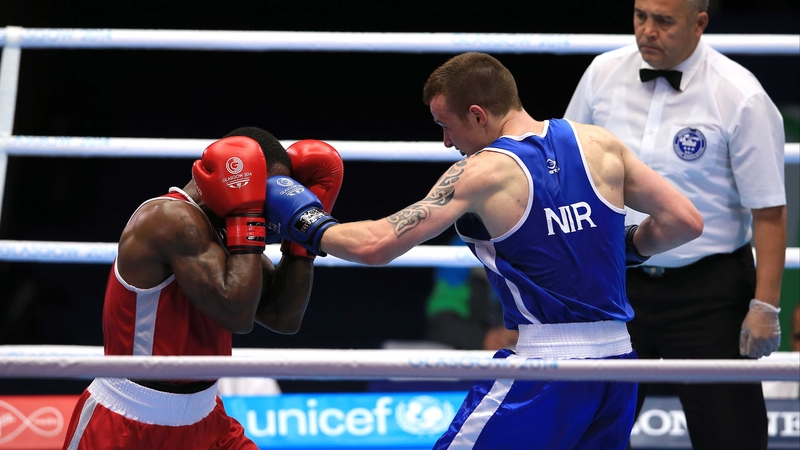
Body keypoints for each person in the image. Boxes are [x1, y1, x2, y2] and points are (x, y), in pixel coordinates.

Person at [265, 52, 703, 449]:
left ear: (477, 115)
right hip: (618, 365)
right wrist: (624, 245)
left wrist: (303, 217)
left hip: (546, 369)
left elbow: (377, 245)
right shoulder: (600, 144)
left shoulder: (480, 173)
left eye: (445, 125)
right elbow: (684, 222)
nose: (445, 142)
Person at [563, 0, 787, 448]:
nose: (647, 30)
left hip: (708, 292)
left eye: (664, 21)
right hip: (615, 284)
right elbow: (567, 173)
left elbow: (769, 210)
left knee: (731, 437)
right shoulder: (602, 74)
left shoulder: (739, 94)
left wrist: (765, 306)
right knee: (590, 431)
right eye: (640, 16)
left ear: (699, 23)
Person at [61, 128, 344, 450]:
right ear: (234, 177)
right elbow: (236, 315)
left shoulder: (222, 229)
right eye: (261, 190)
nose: (269, 205)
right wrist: (247, 215)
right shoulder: (168, 218)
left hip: (206, 418)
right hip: (129, 424)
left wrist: (299, 241)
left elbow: (283, 317)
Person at [425, 235, 518, 350]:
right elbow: (442, 316)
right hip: (478, 350)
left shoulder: (537, 238)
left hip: (533, 343)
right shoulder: (463, 245)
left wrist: (522, 333)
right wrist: (483, 338)